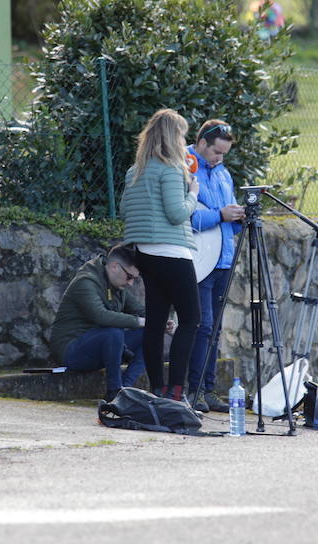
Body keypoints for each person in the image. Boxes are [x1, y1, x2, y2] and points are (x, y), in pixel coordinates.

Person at [120, 109, 201, 403]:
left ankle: (157, 388)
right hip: (172, 252)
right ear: (172, 137)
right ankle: (176, 390)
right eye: (181, 134)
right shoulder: (171, 169)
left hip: (144, 253)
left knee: (155, 322)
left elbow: (125, 211)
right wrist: (193, 192)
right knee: (191, 320)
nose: (184, 140)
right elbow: (177, 212)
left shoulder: (135, 171)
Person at [186, 120, 244, 413]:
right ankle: (192, 391)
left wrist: (237, 218)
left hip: (223, 260)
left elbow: (227, 220)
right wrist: (221, 215)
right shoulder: (185, 166)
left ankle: (208, 391)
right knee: (202, 326)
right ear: (201, 143)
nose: (219, 159)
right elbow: (186, 217)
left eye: (224, 154)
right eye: (216, 153)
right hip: (199, 259)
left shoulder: (223, 173)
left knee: (215, 328)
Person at [50, 244, 155, 401]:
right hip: (72, 351)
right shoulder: (85, 281)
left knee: (151, 333)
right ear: (114, 267)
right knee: (113, 332)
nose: (131, 283)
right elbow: (101, 316)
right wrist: (141, 321)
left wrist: (160, 322)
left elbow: (141, 312)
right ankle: (114, 392)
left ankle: (126, 388)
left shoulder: (117, 286)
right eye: (129, 277)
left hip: (104, 346)